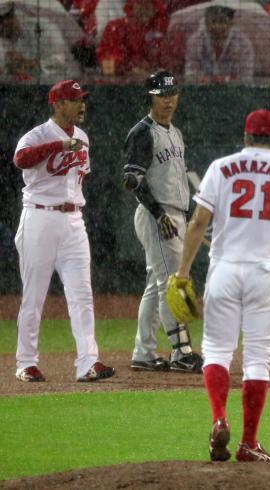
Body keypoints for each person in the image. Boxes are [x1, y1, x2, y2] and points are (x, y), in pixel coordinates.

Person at [173, 109, 270, 462]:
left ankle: (218, 418)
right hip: (265, 273)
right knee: (258, 359)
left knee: (215, 350)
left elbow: (198, 222)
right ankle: (248, 443)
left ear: (245, 137)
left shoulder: (220, 168)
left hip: (224, 269)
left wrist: (182, 271)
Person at [12, 80, 115, 383]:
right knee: (34, 296)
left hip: (73, 222)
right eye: (74, 100)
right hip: (39, 218)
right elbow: (21, 159)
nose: (81, 104)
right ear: (56, 105)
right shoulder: (38, 135)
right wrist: (58, 146)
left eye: (83, 99)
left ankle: (88, 362)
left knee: (82, 294)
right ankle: (26, 362)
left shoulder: (82, 136)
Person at [121, 70, 203, 374]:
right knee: (172, 282)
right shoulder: (143, 132)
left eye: (172, 94)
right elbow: (131, 180)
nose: (168, 101)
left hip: (173, 213)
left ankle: (143, 352)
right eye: (162, 95)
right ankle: (181, 352)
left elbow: (175, 178)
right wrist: (158, 214)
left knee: (156, 286)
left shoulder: (175, 132)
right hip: (158, 215)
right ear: (150, 97)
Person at [0, 1, 79, 82]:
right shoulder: (3, 41)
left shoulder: (44, 27)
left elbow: (60, 59)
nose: (2, 33)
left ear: (11, 18)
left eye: (2, 26)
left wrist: (30, 64)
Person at [96, 0, 169, 77]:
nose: (144, 9)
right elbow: (109, 64)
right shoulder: (116, 28)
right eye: (141, 4)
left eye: (150, 5)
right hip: (121, 84)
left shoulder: (158, 31)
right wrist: (131, 68)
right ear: (132, 5)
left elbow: (166, 63)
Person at [184, 5, 255, 84]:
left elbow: (246, 78)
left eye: (222, 21)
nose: (217, 26)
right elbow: (190, 74)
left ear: (231, 23)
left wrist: (225, 80)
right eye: (214, 21)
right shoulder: (195, 41)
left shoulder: (243, 44)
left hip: (232, 91)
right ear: (206, 22)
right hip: (203, 90)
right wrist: (205, 80)